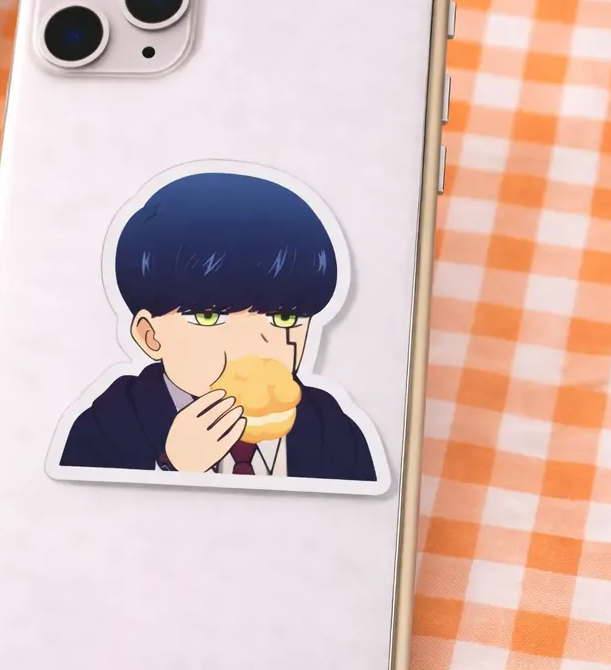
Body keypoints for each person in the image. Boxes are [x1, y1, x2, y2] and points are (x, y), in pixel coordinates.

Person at [58, 171, 376, 481]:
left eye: (284, 318)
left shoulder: (330, 429)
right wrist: (172, 468)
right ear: (150, 335)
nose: (257, 346)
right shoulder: (111, 424)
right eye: (208, 317)